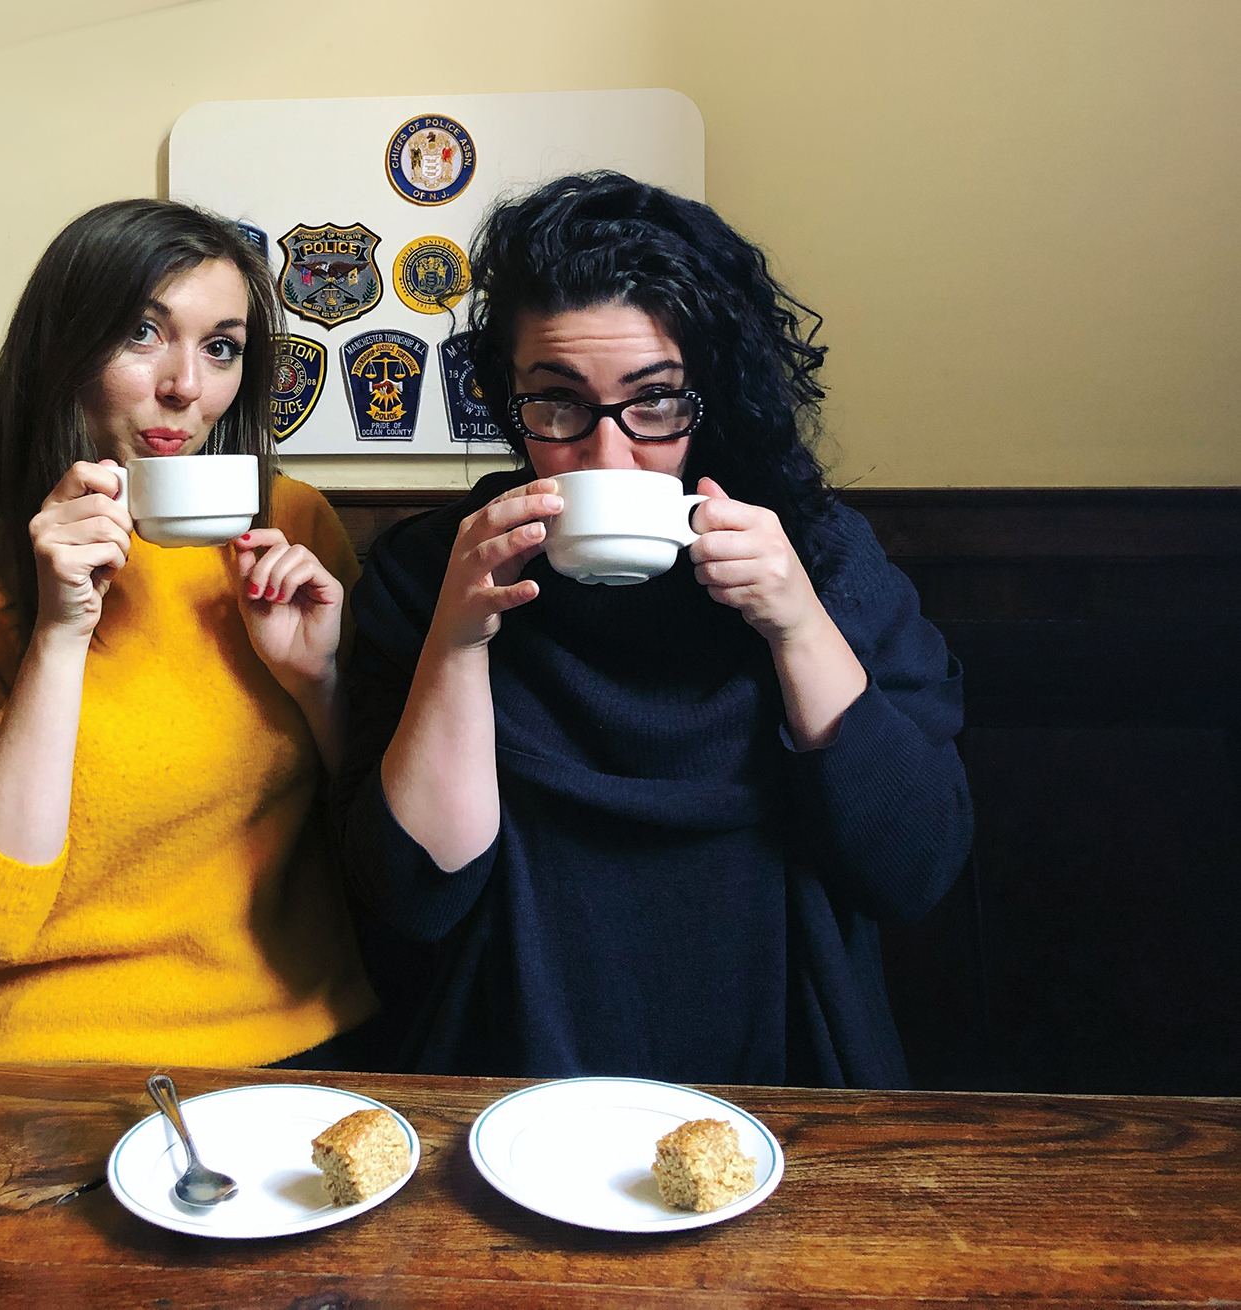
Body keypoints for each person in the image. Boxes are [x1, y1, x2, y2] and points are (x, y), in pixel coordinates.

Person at [334, 173, 973, 1087]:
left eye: (657, 400)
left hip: (789, 1060)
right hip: (506, 1069)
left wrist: (795, 624)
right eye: (557, 401)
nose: (608, 452)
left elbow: (913, 868)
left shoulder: (817, 557)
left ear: (714, 390)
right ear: (507, 396)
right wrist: (457, 642)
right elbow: (414, 898)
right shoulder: (440, 569)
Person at [0, 199, 376, 1066]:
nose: (186, 385)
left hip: (306, 1038)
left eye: (220, 347)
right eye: (144, 334)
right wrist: (61, 634)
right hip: (47, 1059)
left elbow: (383, 837)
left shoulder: (293, 531)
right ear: (63, 351)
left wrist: (318, 682)